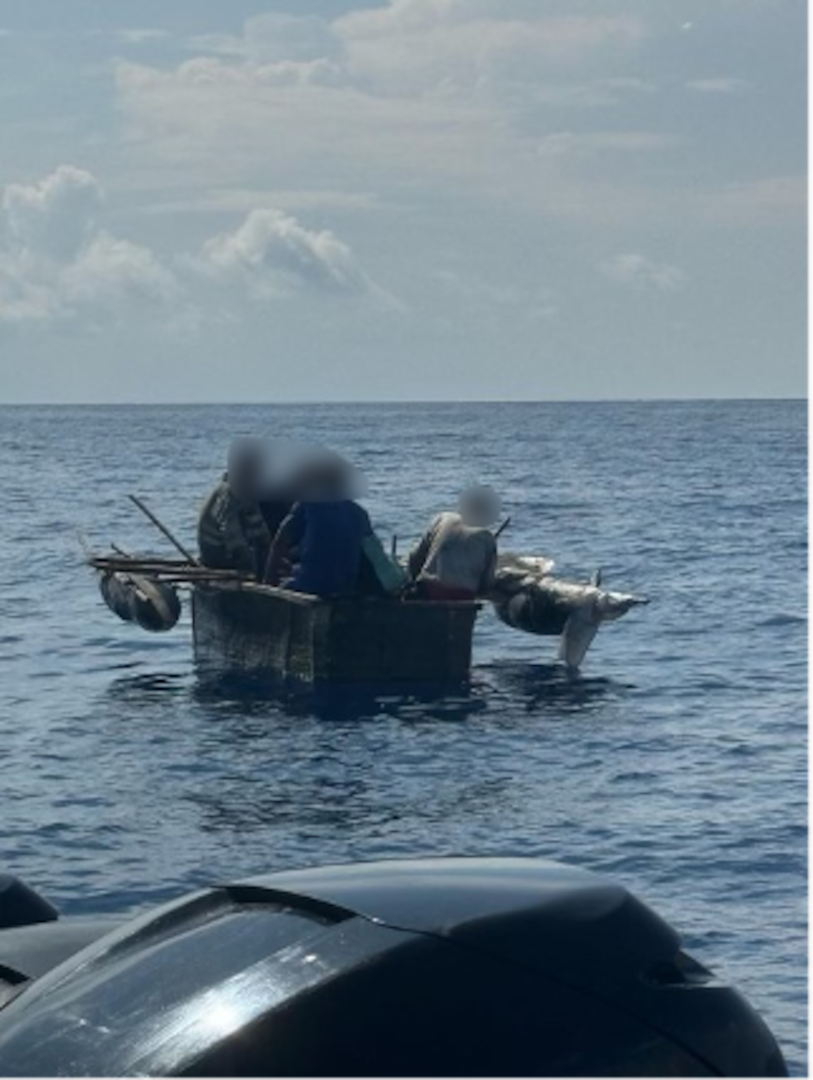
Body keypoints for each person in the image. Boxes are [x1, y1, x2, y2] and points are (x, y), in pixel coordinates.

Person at [264, 453, 373, 598]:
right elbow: (372, 555)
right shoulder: (359, 513)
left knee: (285, 579)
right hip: (345, 589)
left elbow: (279, 543)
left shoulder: (308, 504)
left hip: (310, 587)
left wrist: (267, 584)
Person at [408, 485, 501, 601]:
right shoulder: (488, 538)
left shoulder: (442, 518)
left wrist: (412, 580)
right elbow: (486, 585)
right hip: (461, 599)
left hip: (427, 591)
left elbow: (415, 558)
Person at [197, 439, 274, 577]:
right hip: (216, 557)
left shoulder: (248, 492)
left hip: (236, 552)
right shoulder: (227, 494)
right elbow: (234, 538)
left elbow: (260, 530)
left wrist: (271, 557)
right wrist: (253, 570)